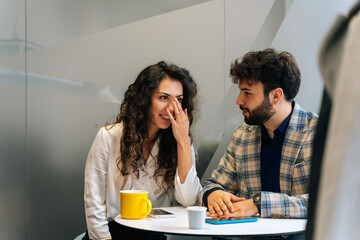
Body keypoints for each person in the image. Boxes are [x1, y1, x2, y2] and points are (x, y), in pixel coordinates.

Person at [84, 61, 202, 240]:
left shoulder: (180, 142)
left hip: (151, 234)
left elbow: (188, 199)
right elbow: (94, 204)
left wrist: (184, 141)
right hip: (110, 234)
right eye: (163, 97)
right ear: (145, 100)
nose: (172, 108)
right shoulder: (109, 137)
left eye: (178, 100)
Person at [200, 48, 318, 221]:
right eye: (240, 91)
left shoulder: (318, 132)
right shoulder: (242, 135)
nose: (239, 101)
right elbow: (213, 184)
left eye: (247, 93)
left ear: (276, 96)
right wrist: (213, 194)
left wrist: (258, 203)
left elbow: (328, 202)